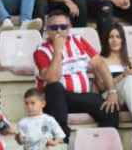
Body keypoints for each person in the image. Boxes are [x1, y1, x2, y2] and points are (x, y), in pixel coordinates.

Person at [34, 9, 120, 140]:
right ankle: (64, 138)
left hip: (81, 98)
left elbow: (100, 64)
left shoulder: (79, 41)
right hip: (57, 100)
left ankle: (103, 144)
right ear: (47, 30)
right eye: (54, 27)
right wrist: (57, 51)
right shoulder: (41, 50)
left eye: (63, 27)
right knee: (55, 88)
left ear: (70, 28)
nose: (59, 31)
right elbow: (52, 79)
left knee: (110, 107)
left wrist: (112, 92)